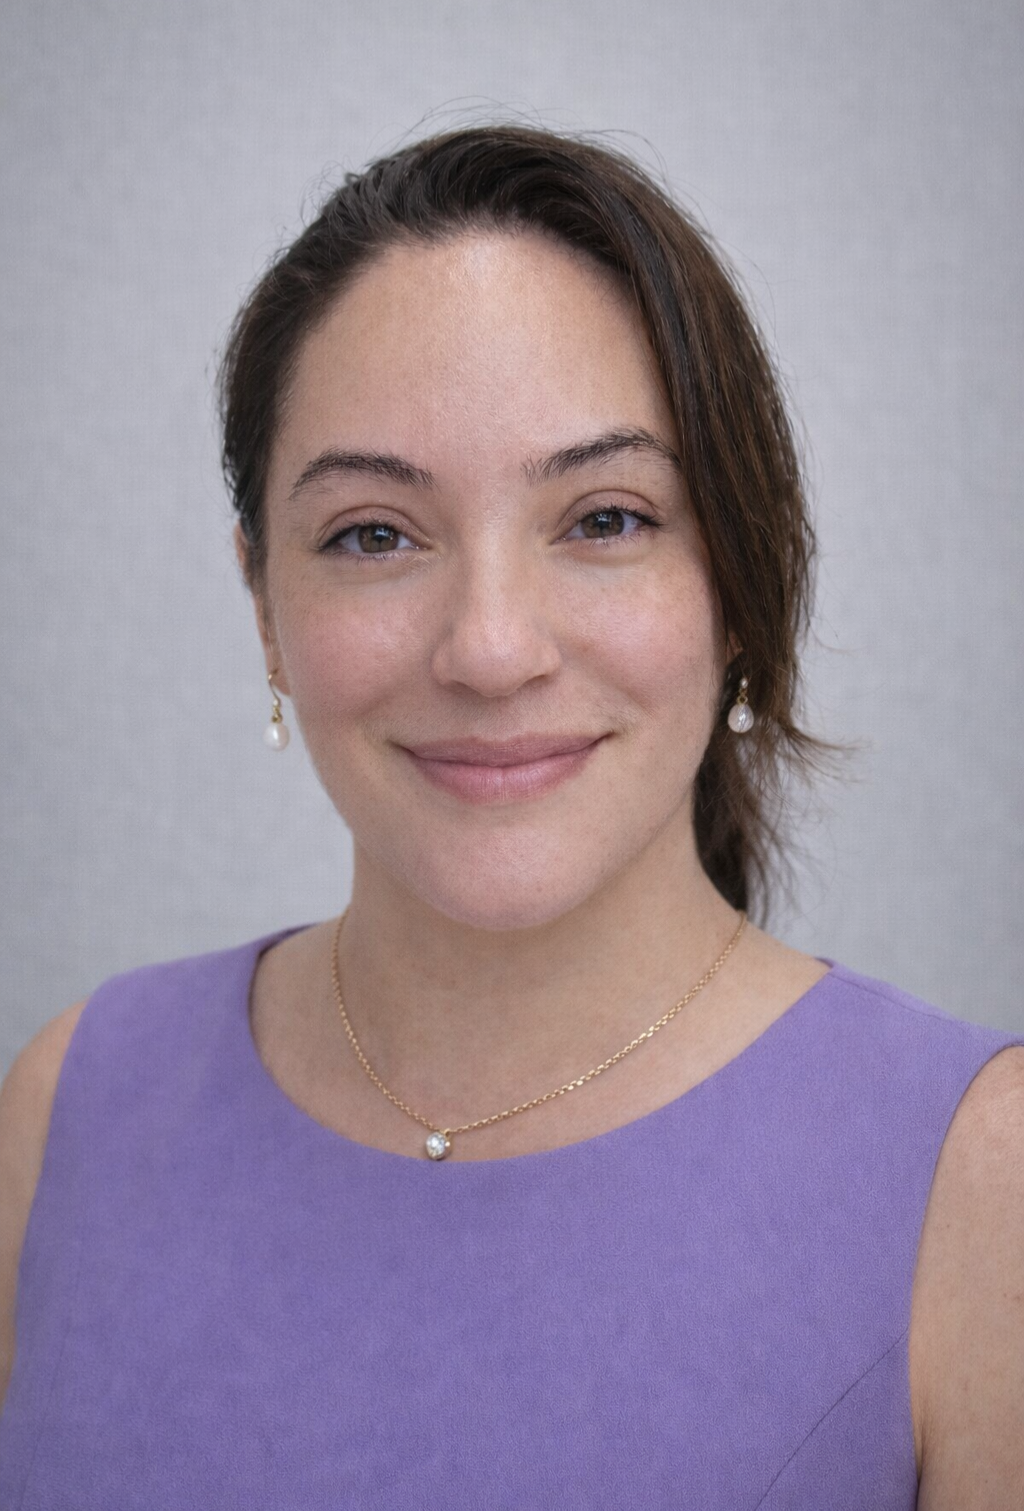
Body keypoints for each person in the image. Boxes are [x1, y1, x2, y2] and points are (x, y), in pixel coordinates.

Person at [0, 123, 1021, 1508]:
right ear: (263, 607)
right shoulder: (72, 1104)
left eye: (604, 519)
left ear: (737, 579)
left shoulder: (983, 1178)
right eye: (374, 533)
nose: (490, 649)